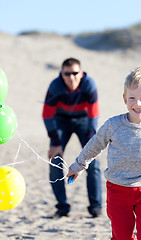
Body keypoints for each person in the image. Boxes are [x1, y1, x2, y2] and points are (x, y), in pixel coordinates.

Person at [67, 67, 141, 239]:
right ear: (125, 99)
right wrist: (77, 166)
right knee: (121, 236)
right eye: (132, 98)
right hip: (117, 190)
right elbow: (93, 146)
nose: (137, 104)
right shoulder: (112, 125)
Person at [42, 57, 102, 218]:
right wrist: (55, 142)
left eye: (75, 73)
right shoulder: (55, 86)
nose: (71, 77)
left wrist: (92, 145)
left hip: (84, 121)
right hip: (61, 121)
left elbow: (94, 115)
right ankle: (62, 207)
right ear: (62, 74)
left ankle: (95, 207)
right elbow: (47, 115)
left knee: (93, 162)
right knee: (55, 160)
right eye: (67, 74)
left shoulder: (89, 85)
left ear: (81, 73)